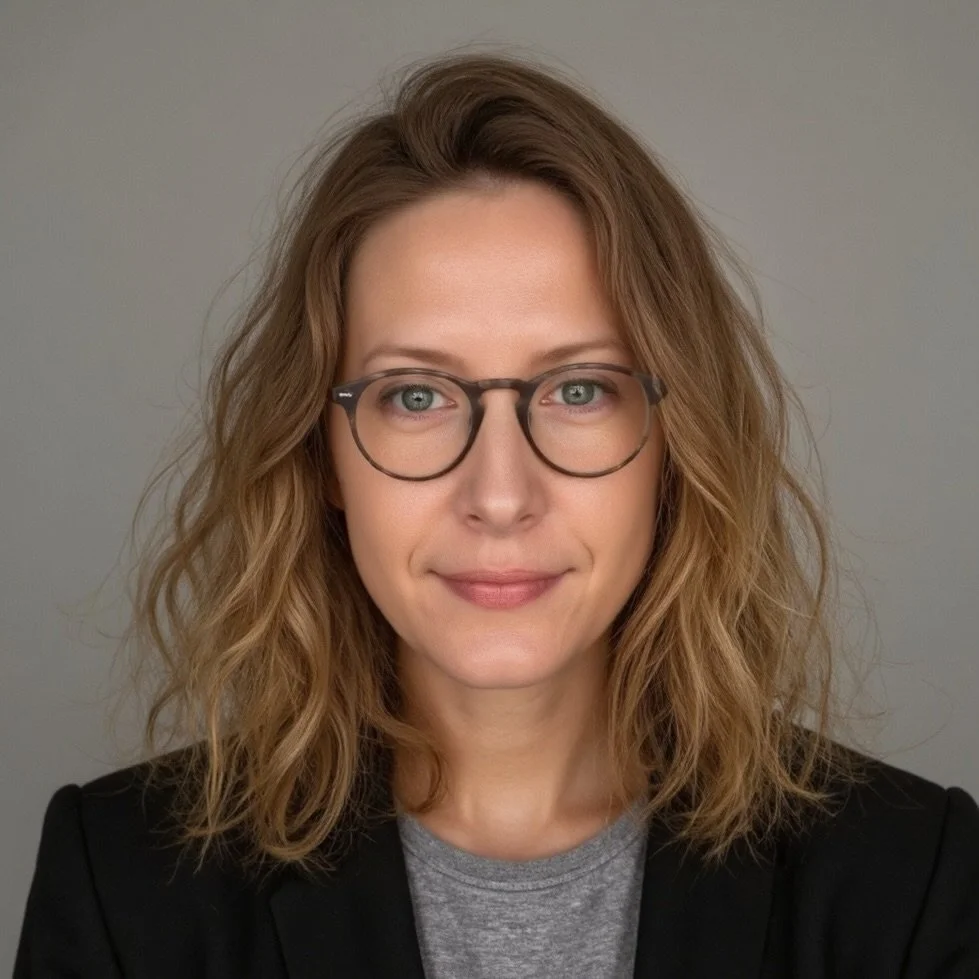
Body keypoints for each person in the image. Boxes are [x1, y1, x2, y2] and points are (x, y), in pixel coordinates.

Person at [14, 51, 979, 978]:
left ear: (676, 444)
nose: (501, 496)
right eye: (416, 396)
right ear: (320, 453)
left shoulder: (907, 884)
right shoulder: (122, 887)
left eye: (578, 390)